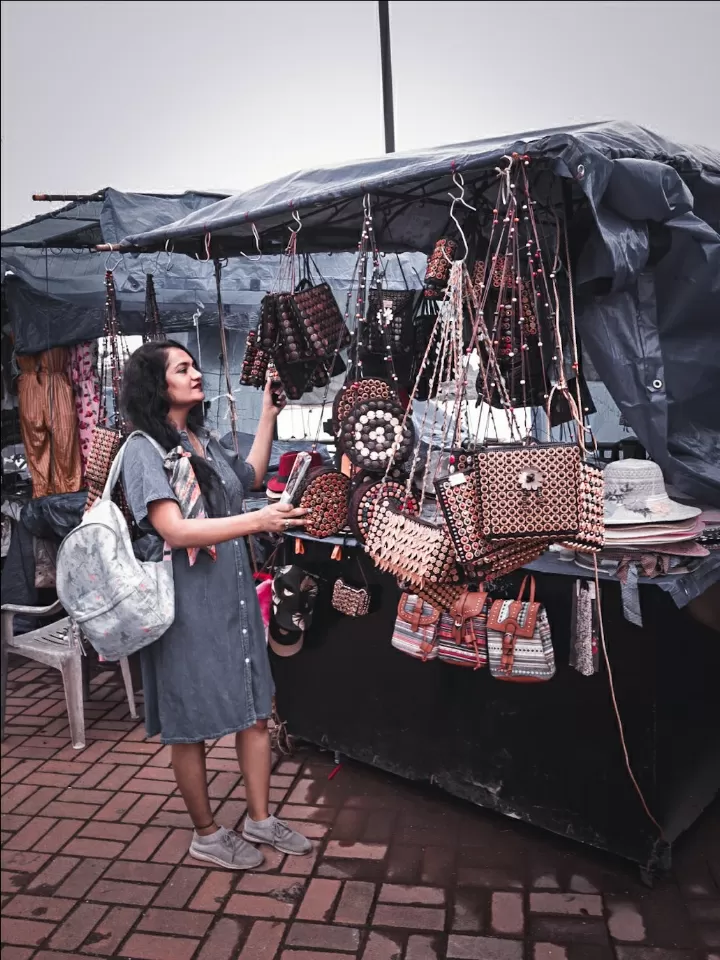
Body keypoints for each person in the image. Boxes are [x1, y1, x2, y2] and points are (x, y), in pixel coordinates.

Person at [119, 339, 311, 870]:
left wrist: (269, 414)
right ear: (158, 386)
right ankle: (206, 833)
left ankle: (259, 818)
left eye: (194, 364)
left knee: (254, 712)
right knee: (193, 722)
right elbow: (174, 530)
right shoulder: (143, 451)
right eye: (182, 368)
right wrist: (259, 522)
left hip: (232, 598)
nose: (196, 373)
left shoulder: (200, 439)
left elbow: (248, 476)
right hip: (185, 607)